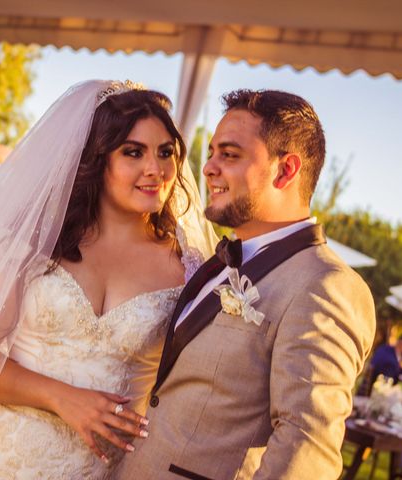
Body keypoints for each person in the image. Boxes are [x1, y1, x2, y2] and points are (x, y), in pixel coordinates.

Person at [0, 80, 216, 479]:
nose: (155, 169)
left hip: (102, 468)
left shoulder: (187, 267)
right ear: (95, 158)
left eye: (165, 152)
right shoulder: (31, 246)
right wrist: (62, 398)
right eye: (133, 152)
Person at [116, 89, 377, 480]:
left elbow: (307, 447)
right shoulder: (217, 261)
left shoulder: (326, 286)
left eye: (230, 155)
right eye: (211, 153)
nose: (208, 169)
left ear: (285, 170)